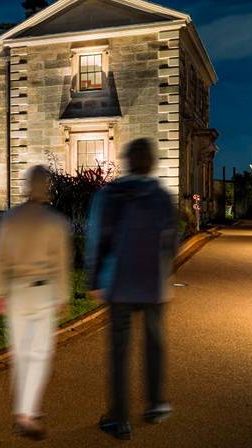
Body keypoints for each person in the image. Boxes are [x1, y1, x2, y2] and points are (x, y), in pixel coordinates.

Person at [86, 138, 178, 440]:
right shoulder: (162, 197)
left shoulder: (110, 194)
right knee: (154, 345)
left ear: (127, 161)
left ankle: (119, 419)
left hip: (120, 283)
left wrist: (95, 280)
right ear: (151, 163)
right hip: (153, 284)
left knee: (120, 353)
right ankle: (155, 405)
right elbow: (171, 241)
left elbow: (97, 239)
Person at [0, 165, 73, 441]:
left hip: (15, 291)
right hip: (42, 292)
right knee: (38, 355)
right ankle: (26, 414)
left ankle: (24, 409)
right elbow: (61, 263)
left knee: (22, 354)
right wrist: (62, 296)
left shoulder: (11, 219)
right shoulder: (54, 222)